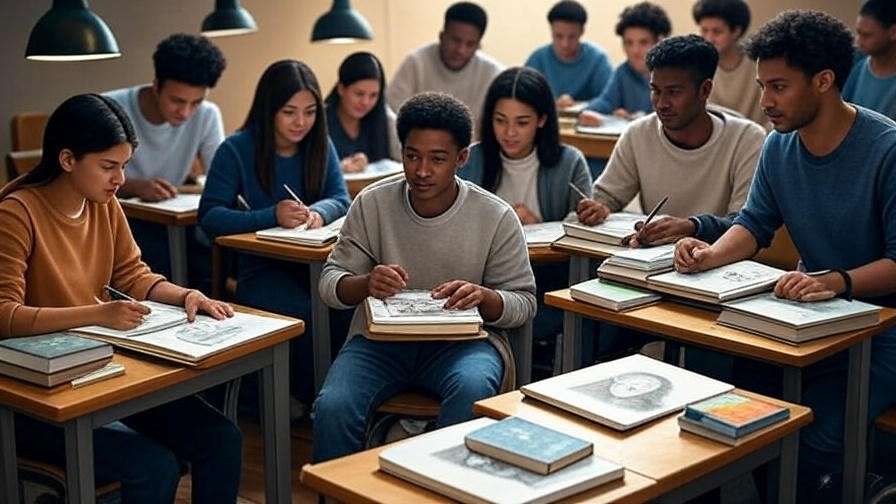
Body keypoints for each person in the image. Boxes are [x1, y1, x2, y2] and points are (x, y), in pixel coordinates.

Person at [673, 11, 896, 501]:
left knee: (814, 438)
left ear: (823, 81)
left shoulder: (887, 149)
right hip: (811, 323)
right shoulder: (778, 146)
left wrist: (834, 280)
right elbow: (754, 224)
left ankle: (860, 485)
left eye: (778, 87)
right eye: (761, 86)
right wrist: (710, 254)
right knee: (738, 410)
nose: (765, 101)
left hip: (883, 336)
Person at [0, 94, 240, 504]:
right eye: (108, 166)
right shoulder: (16, 213)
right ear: (67, 159)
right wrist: (101, 313)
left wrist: (186, 295)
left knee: (222, 439)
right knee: (154, 466)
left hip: (99, 375)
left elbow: (132, 275)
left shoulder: (104, 203)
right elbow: (5, 316)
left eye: (124, 166)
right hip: (37, 394)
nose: (120, 180)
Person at [312, 92, 537, 462]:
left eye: (437, 159)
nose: (421, 171)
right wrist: (365, 283)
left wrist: (484, 296)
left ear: (462, 158)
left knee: (472, 390)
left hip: (464, 345)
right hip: (380, 343)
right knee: (333, 408)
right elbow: (330, 284)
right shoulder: (372, 202)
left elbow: (524, 303)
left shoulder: (494, 216)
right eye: (412, 156)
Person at [199, 60, 350, 407]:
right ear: (269, 110)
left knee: (346, 305)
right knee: (305, 311)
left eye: (310, 112)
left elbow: (340, 198)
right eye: (289, 112)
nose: (301, 122)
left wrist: (318, 212)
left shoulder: (320, 144)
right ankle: (306, 397)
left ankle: (336, 399)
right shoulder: (236, 149)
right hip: (259, 270)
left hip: (315, 265)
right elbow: (210, 215)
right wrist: (271, 216)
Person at [576, 35, 765, 247]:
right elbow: (606, 197)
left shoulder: (747, 140)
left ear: (705, 90)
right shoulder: (638, 134)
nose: (662, 103)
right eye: (655, 91)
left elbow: (746, 224)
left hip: (720, 265)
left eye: (674, 92)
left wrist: (693, 226)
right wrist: (598, 208)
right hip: (651, 263)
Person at [459, 67, 589, 356]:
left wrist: (541, 224)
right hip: (484, 284)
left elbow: (581, 229)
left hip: (549, 281)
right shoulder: (473, 159)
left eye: (522, 122)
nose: (509, 132)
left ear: (542, 120)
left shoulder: (569, 162)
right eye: (500, 120)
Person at [105, 33, 227, 287]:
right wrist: (136, 186)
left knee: (209, 258)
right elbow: (83, 178)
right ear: (156, 85)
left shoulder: (207, 115)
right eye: (177, 101)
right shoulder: (110, 109)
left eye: (196, 102)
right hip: (121, 221)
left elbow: (221, 180)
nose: (185, 112)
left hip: (177, 222)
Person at [387, 2, 503, 125]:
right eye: (455, 40)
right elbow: (392, 114)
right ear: (441, 36)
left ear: (479, 45)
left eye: (470, 44)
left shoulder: (493, 75)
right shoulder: (415, 63)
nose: (460, 50)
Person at [579, 2, 671, 126]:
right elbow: (604, 103)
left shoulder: (674, 75)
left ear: (659, 42)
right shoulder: (623, 72)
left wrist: (629, 118)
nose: (635, 51)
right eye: (628, 43)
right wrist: (589, 112)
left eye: (643, 42)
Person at [524, 0, 613, 110]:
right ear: (551, 30)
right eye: (558, 36)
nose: (565, 44)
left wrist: (577, 106)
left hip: (586, 122)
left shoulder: (598, 60)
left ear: (582, 31)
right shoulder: (537, 60)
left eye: (571, 37)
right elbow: (523, 100)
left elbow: (609, 100)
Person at [325, 52, 401, 173]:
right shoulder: (319, 121)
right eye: (359, 94)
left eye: (373, 95)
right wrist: (339, 168)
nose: (365, 102)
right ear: (341, 89)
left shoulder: (385, 119)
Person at [693, 0, 766, 125]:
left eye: (717, 32)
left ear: (736, 32)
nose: (709, 38)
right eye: (704, 30)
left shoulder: (759, 63)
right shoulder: (695, 66)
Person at [843, 0, 896, 119]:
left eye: (867, 35)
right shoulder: (854, 63)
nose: (858, 41)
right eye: (858, 33)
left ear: (893, 32)